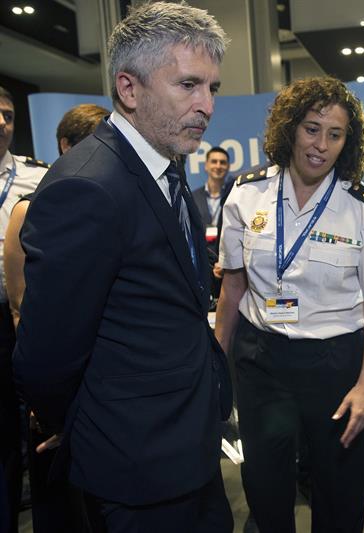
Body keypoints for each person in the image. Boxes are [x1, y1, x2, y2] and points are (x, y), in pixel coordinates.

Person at [12, 3, 233, 532]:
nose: (206, 106)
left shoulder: (166, 164)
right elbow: (46, 356)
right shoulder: (87, 186)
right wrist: (87, 423)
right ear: (129, 89)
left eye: (212, 88)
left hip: (187, 450)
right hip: (135, 472)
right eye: (187, 85)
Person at [215, 76, 364, 533]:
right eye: (311, 129)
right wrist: (214, 365)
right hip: (262, 362)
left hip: (333, 364)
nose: (320, 145)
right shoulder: (246, 194)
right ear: (290, 130)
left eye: (334, 134)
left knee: (339, 496)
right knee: (265, 489)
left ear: (347, 142)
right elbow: (233, 288)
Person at [3, 102, 108, 533]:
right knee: (59, 500)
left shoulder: (109, 206)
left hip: (104, 376)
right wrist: (50, 398)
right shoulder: (27, 211)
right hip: (55, 381)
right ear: (66, 146)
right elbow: (20, 309)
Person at [0, 85, 50, 533]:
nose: (2, 122)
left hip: (16, 314)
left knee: (17, 424)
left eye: (9, 115)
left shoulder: (38, 178)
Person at [192, 146, 230, 228]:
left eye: (222, 162)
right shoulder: (193, 197)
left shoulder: (234, 195)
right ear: (206, 165)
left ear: (228, 167)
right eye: (214, 161)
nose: (218, 166)